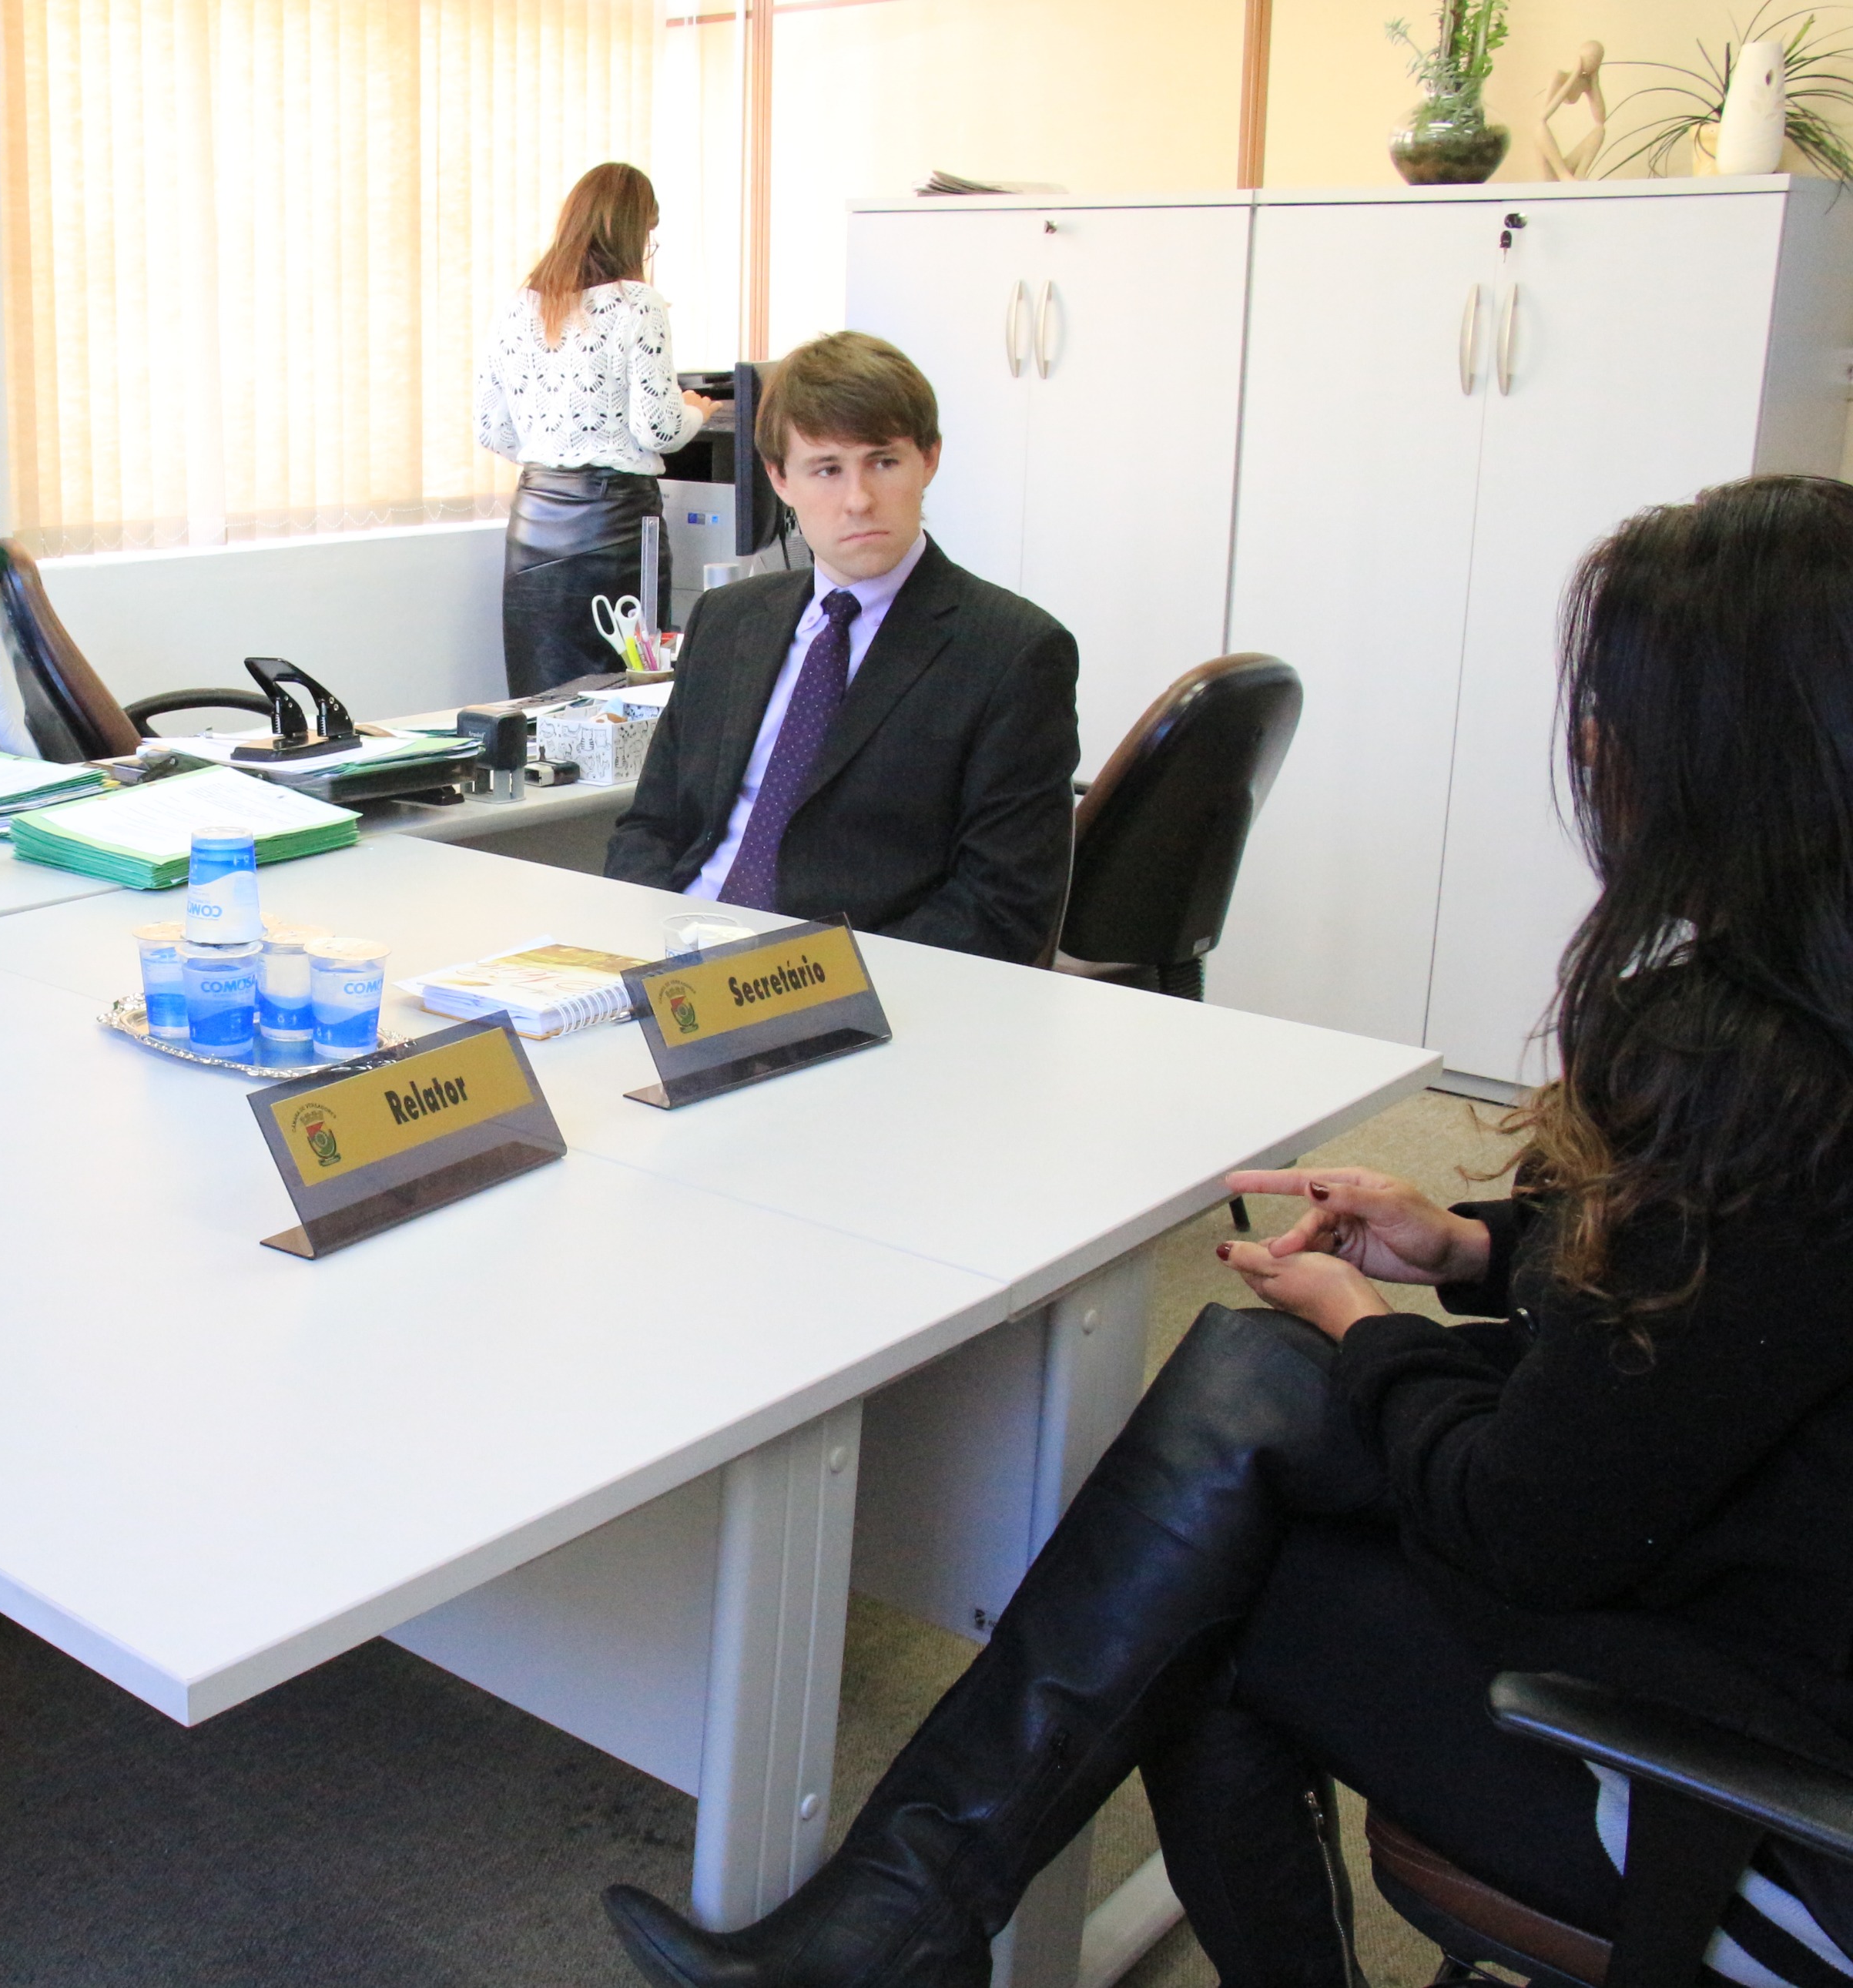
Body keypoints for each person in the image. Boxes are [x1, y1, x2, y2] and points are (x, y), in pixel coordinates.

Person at [603, 474, 1853, 1986]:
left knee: (1204, 1592)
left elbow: (1525, 1519)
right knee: (1242, 1404)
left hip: (1764, 1789)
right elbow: (1736, 1316)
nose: (1588, 745)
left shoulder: (1749, 1067)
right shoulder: (1805, 1021)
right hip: (1754, 1570)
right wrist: (1475, 1252)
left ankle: (891, 1924)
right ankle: (892, 1919)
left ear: (1727, 751)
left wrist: (1366, 1327)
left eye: (1613, 708)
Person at [603, 333, 1077, 966]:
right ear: (779, 478)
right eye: (827, 469)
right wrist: (643, 946)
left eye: (883, 462)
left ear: (929, 460)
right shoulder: (726, 620)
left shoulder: (1012, 653)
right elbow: (651, 827)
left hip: (851, 982)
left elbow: (1001, 911)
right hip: (677, 962)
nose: (858, 499)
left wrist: (805, 982)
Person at [476, 162, 715, 696]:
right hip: (615, 526)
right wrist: (696, 410)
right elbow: (658, 429)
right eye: (648, 235)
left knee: (540, 700)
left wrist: (557, 450)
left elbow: (491, 427)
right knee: (626, 696)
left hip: (536, 521)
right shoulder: (637, 304)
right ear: (631, 231)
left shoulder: (519, 307)